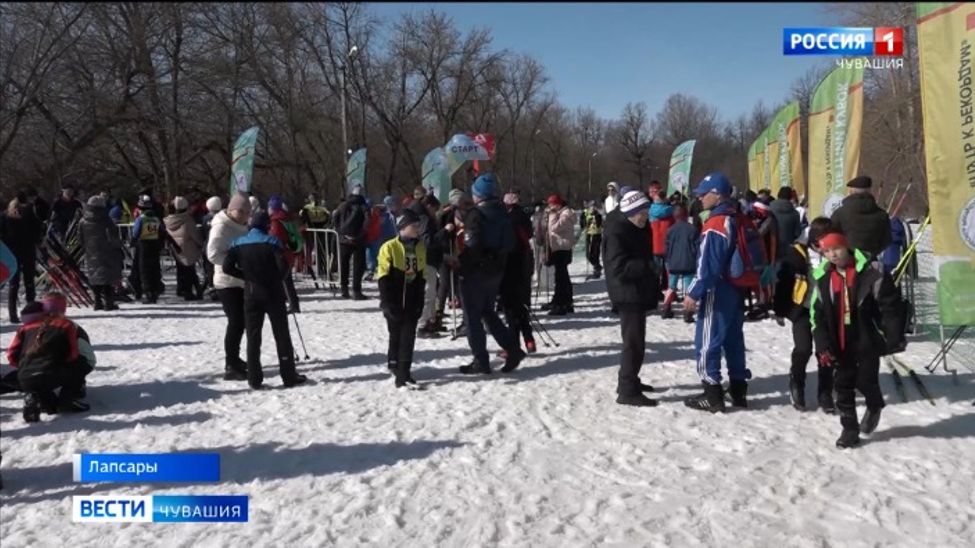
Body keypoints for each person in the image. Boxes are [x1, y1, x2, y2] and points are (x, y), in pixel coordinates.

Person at [810, 230, 906, 448]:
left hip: (866, 338)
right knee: (842, 385)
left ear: (846, 247)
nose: (832, 255)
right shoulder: (824, 279)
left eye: (836, 249)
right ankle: (849, 429)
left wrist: (893, 335)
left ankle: (875, 404)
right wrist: (822, 345)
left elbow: (890, 307)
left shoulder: (872, 273)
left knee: (864, 381)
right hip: (839, 342)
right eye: (827, 251)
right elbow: (819, 316)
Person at [683, 173, 752, 413]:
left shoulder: (716, 223)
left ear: (718, 194)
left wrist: (693, 293)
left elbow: (708, 266)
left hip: (718, 288)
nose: (700, 197)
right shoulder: (739, 217)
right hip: (737, 287)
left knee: (707, 341)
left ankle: (712, 394)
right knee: (734, 339)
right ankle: (738, 389)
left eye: (704, 192)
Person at [223, 210, 308, 389]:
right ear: (266, 225)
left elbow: (227, 267)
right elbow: (284, 267)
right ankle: (289, 375)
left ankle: (254, 377)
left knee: (253, 336)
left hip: (251, 292)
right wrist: (276, 279)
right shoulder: (272, 241)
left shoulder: (237, 243)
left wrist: (245, 276)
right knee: (281, 334)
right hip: (273, 292)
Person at [458, 173, 526, 374]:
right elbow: (510, 243)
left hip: (476, 272)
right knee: (488, 312)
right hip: (496, 271)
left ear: (478, 194)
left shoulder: (476, 214)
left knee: (472, 317)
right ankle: (513, 349)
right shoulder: (503, 212)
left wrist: (462, 265)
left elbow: (473, 246)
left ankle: (481, 360)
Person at [604, 190, 660, 407]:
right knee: (633, 342)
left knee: (637, 340)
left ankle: (630, 380)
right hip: (627, 292)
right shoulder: (617, 230)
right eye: (643, 214)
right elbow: (618, 267)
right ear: (631, 212)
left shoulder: (635, 224)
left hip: (637, 289)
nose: (646, 218)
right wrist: (649, 266)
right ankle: (627, 389)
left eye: (647, 214)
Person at [774, 217, 835, 413]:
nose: (824, 246)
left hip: (824, 312)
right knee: (803, 349)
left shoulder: (835, 256)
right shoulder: (797, 255)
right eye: (820, 241)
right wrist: (780, 310)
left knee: (825, 352)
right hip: (802, 309)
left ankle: (825, 391)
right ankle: (797, 383)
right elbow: (784, 284)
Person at [7, 293, 95, 422]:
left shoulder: (26, 327)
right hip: (51, 372)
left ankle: (33, 397)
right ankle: (67, 398)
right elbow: (74, 354)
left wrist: (24, 366)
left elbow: (11, 355)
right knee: (81, 363)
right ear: (63, 309)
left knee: (51, 407)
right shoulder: (67, 325)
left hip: (25, 377)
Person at [377, 208, 427, 389]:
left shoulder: (420, 246)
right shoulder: (389, 247)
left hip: (412, 298)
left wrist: (421, 300)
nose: (418, 228)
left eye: (419, 225)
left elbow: (421, 276)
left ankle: (404, 372)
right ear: (403, 226)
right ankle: (394, 363)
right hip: (394, 298)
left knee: (408, 336)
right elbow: (382, 276)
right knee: (395, 333)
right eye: (414, 225)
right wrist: (386, 302)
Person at [207, 193, 251, 381]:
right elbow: (213, 254)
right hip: (226, 281)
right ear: (231, 209)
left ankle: (235, 358)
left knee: (242, 322)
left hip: (242, 280)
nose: (243, 215)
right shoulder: (221, 226)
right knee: (236, 321)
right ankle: (230, 364)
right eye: (240, 211)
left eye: (247, 212)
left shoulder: (243, 226)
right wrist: (235, 264)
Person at [500, 190, 536, 353]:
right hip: (525, 266)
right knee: (522, 308)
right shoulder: (524, 218)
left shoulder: (508, 221)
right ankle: (529, 340)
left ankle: (513, 347)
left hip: (511, 269)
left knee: (511, 312)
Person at [1, 195, 43, 323]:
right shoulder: (5, 219)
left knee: (28, 283)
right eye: (16, 208)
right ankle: (14, 314)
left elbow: (38, 232)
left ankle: (31, 312)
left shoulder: (28, 217)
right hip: (14, 255)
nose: (18, 210)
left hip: (25, 253)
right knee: (15, 284)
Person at [78, 195, 123, 311]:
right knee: (107, 277)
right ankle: (109, 302)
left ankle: (97, 301)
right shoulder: (106, 220)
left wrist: (86, 247)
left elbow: (80, 238)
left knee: (94, 277)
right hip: (106, 251)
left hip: (91, 251)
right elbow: (113, 235)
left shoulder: (83, 221)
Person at [830, 175, 892, 259]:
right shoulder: (882, 215)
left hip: (846, 261)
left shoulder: (840, 213)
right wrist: (873, 253)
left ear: (852, 191)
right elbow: (887, 240)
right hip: (870, 260)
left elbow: (832, 236)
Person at [130, 194, 171, 303]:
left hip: (143, 246)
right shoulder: (155, 219)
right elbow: (162, 231)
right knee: (154, 268)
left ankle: (148, 293)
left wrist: (133, 242)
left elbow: (136, 232)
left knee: (144, 270)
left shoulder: (141, 219)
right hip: (155, 245)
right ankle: (155, 290)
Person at [661, 204, 699, 321]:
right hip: (688, 262)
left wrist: (667, 260)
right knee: (688, 289)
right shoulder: (692, 229)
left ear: (674, 216)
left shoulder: (670, 230)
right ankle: (688, 312)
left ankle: (666, 308)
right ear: (686, 215)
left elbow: (666, 248)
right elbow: (697, 247)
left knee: (671, 287)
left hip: (674, 263)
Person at [332, 184, 370, 300]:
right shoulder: (364, 206)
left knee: (344, 264)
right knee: (358, 266)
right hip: (358, 240)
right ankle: (356, 291)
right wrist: (359, 235)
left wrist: (341, 233)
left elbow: (335, 219)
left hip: (343, 239)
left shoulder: (342, 205)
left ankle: (344, 289)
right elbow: (367, 223)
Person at [165, 196, 205, 301]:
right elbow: (196, 236)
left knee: (181, 269)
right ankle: (191, 291)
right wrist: (201, 244)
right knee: (190, 271)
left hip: (176, 248)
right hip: (188, 248)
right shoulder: (187, 220)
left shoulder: (169, 220)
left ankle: (181, 289)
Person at [266, 195, 302, 313]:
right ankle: (293, 303)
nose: (268, 209)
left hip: (281, 254)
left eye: (269, 206)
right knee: (286, 280)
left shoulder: (276, 221)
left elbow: (275, 238)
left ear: (273, 208)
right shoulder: (285, 217)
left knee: (283, 280)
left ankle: (292, 304)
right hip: (288, 253)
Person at [415, 195, 444, 338]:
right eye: (435, 209)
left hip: (425, 259)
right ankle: (423, 323)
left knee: (431, 291)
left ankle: (430, 320)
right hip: (426, 259)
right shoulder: (425, 220)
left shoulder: (418, 216)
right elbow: (428, 241)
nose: (435, 213)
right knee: (429, 291)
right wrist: (443, 233)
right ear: (429, 206)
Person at [544, 194, 576, 316]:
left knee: (561, 277)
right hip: (558, 247)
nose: (550, 207)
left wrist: (552, 215)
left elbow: (553, 228)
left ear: (557, 204)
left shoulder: (566, 215)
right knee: (561, 276)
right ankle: (561, 299)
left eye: (551, 205)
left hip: (563, 248)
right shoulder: (561, 214)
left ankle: (563, 303)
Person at [649, 191, 675, 294]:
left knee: (656, 271)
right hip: (667, 245)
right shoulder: (671, 212)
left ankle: (655, 291)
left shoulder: (651, 211)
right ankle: (671, 290)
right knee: (670, 271)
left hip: (655, 245)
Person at [769, 186, 802, 263]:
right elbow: (797, 233)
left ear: (778, 194)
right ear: (790, 197)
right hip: (788, 248)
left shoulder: (769, 208)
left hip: (771, 246)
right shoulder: (795, 213)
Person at [580, 201, 603, 279]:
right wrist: (586, 221)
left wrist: (595, 217)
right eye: (591, 207)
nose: (592, 208)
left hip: (596, 235)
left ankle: (597, 269)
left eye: (594, 207)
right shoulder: (586, 214)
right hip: (588, 234)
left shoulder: (598, 215)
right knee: (588, 254)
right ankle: (597, 266)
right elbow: (582, 224)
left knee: (595, 253)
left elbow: (599, 224)